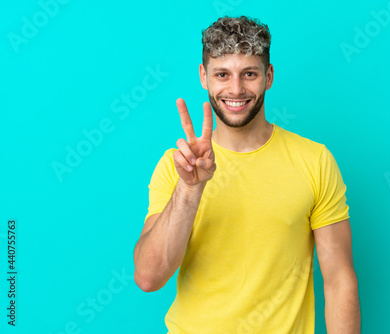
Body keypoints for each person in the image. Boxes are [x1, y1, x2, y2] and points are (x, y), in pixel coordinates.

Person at [133, 15, 361, 334]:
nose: (236, 90)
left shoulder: (315, 161)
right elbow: (148, 277)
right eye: (222, 74)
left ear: (268, 76)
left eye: (249, 73)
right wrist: (189, 190)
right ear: (204, 76)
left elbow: (339, 279)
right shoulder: (178, 165)